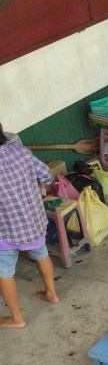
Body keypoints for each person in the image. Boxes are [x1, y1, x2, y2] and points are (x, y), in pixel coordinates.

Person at [0, 128, 59, 329]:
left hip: (5, 229)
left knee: (4, 271)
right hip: (32, 220)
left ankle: (17, 318)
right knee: (42, 254)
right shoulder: (19, 150)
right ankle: (51, 294)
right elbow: (46, 176)